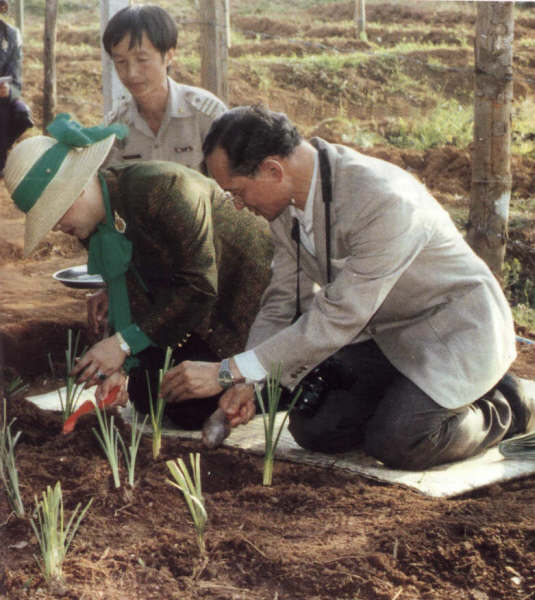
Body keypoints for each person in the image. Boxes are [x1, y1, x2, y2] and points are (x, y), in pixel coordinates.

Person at [160, 105, 535, 470]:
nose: (239, 206)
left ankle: (514, 404)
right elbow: (281, 302)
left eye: (237, 192)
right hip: (387, 336)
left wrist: (227, 372)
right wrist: (251, 381)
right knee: (316, 428)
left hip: (455, 331)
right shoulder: (286, 205)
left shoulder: (382, 199)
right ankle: (417, 398)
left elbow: (339, 316)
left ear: (273, 170)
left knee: (401, 440)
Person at [4, 113, 273, 429]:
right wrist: (121, 364)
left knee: (190, 408)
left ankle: (277, 385)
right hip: (187, 306)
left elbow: (199, 286)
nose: (56, 227)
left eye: (54, 214)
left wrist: (122, 344)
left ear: (75, 190)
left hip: (240, 302)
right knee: (146, 394)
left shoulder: (166, 189)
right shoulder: (92, 223)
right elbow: (128, 288)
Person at [101, 4, 226, 172]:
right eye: (121, 62)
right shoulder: (115, 128)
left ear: (168, 55)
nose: (131, 73)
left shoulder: (207, 116)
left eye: (142, 59)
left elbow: (230, 183)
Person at [0, 0, 33, 174]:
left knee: (20, 114)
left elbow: (16, 84)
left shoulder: (11, 36)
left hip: (1, 103)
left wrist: (9, 91)